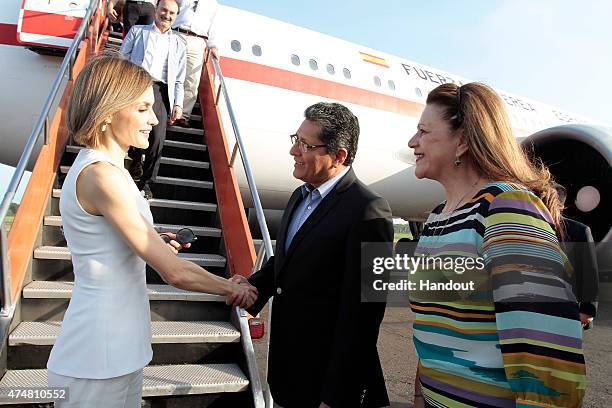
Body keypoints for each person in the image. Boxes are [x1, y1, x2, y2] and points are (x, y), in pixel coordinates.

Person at [46, 54, 256, 408]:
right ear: (109, 111)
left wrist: (152, 242)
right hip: (98, 354)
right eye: (143, 109)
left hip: (119, 347)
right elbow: (173, 273)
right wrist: (232, 288)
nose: (154, 119)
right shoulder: (102, 175)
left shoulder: (112, 171)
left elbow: (111, 243)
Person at [407, 82, 586, 407]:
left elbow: (549, 365)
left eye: (423, 131)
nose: (412, 142)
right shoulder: (437, 218)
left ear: (461, 141)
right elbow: (435, 328)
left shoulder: (506, 208)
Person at [232, 103, 394, 407]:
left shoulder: (370, 210)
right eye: (295, 138)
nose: (294, 151)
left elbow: (364, 317)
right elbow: (287, 262)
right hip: (287, 373)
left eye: (305, 144)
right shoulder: (299, 196)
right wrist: (252, 289)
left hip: (326, 384)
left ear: (339, 155)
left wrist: (336, 395)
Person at [119, 0, 186, 199]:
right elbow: (122, 56)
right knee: (133, 129)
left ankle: (147, 183)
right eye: (164, 10)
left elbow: (180, 78)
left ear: (176, 16)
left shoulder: (178, 43)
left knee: (157, 139)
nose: (167, 15)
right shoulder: (138, 32)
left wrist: (178, 104)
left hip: (160, 90)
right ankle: (135, 162)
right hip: (138, 85)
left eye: (172, 13)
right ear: (156, 10)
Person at [555, 183, 599, 329]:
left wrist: (587, 311)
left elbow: (589, 273)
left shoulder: (579, 231)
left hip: (569, 308)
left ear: (560, 205)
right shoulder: (532, 228)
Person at [171, 0, 218, 128]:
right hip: (177, 33)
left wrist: (212, 45)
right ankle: (168, 109)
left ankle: (183, 116)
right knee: (170, 73)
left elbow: (212, 25)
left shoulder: (213, 3)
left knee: (192, 80)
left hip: (197, 40)